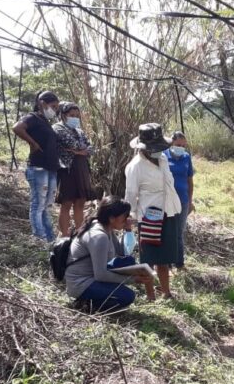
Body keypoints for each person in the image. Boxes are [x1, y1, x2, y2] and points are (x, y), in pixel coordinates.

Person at [65, 196, 154, 312]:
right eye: (124, 216)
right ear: (112, 218)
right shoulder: (99, 236)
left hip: (92, 276)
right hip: (81, 284)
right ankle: (87, 304)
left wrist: (127, 229)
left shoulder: (106, 228)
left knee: (129, 261)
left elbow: (122, 253)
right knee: (127, 296)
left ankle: (94, 299)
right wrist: (133, 279)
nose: (127, 219)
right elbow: (100, 275)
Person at [125, 123, 182, 299]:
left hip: (169, 211)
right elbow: (131, 193)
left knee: (165, 257)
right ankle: (150, 295)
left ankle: (166, 292)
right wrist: (130, 216)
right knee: (148, 257)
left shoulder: (163, 158)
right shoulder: (136, 166)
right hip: (149, 216)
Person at [12, 91, 61, 242]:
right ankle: (39, 238)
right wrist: (32, 143)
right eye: (53, 106)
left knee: (46, 205)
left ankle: (50, 238)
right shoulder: (32, 117)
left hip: (51, 168)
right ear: (42, 103)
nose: (54, 110)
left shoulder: (46, 122)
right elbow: (17, 127)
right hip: (38, 167)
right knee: (38, 204)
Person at [54, 102, 94, 237]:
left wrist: (78, 150)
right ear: (63, 115)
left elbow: (90, 148)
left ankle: (80, 234)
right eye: (72, 115)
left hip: (81, 168)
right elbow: (73, 144)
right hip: (68, 169)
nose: (75, 118)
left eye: (77, 115)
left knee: (80, 202)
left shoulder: (79, 130)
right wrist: (78, 149)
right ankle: (64, 236)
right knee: (66, 203)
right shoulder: (58, 128)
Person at [164, 131, 195, 270]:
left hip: (183, 200)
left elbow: (190, 180)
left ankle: (179, 263)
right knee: (168, 231)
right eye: (178, 144)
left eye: (183, 145)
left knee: (179, 232)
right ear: (172, 142)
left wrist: (190, 200)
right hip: (167, 200)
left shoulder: (187, 157)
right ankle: (166, 263)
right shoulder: (163, 156)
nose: (180, 147)